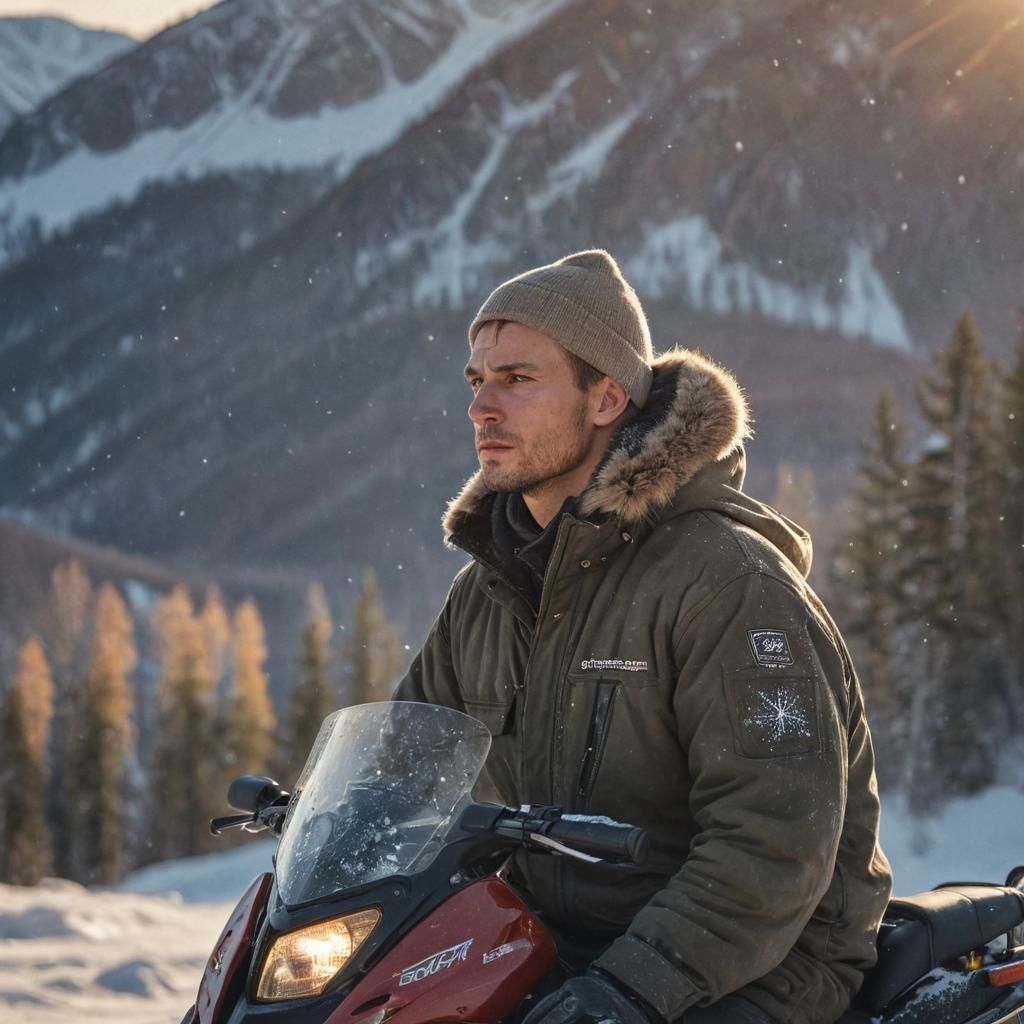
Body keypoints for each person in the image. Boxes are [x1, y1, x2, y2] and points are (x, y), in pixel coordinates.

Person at [394, 250, 892, 1024]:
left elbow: (772, 844)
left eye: (518, 379)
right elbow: (404, 759)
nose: (481, 407)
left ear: (606, 399)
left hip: (759, 957)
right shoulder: (489, 591)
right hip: (569, 942)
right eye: (475, 381)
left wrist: (627, 990)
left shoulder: (727, 583)